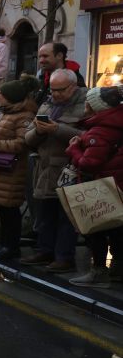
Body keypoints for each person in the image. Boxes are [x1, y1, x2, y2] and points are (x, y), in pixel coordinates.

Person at [22, 69, 88, 272]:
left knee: (66, 216)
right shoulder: (48, 103)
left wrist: (57, 130)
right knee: (46, 212)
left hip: (70, 168)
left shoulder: (86, 104)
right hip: (45, 167)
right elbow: (28, 137)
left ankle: (64, 257)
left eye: (61, 90)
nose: (56, 94)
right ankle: (45, 250)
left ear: (73, 86)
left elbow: (88, 136)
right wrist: (39, 132)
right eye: (53, 89)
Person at [0, 77, 40, 261]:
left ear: (10, 97)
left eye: (1, 94)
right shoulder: (7, 113)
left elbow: (21, 143)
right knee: (2, 209)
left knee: (10, 210)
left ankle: (10, 246)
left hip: (12, 170)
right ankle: (3, 243)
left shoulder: (24, 116)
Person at [66, 86, 123, 285]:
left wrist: (74, 149)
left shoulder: (101, 129)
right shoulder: (116, 124)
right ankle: (118, 268)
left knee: (95, 228)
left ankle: (98, 270)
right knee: (117, 227)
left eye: (87, 101)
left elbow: (90, 163)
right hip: (117, 184)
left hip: (101, 186)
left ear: (94, 106)